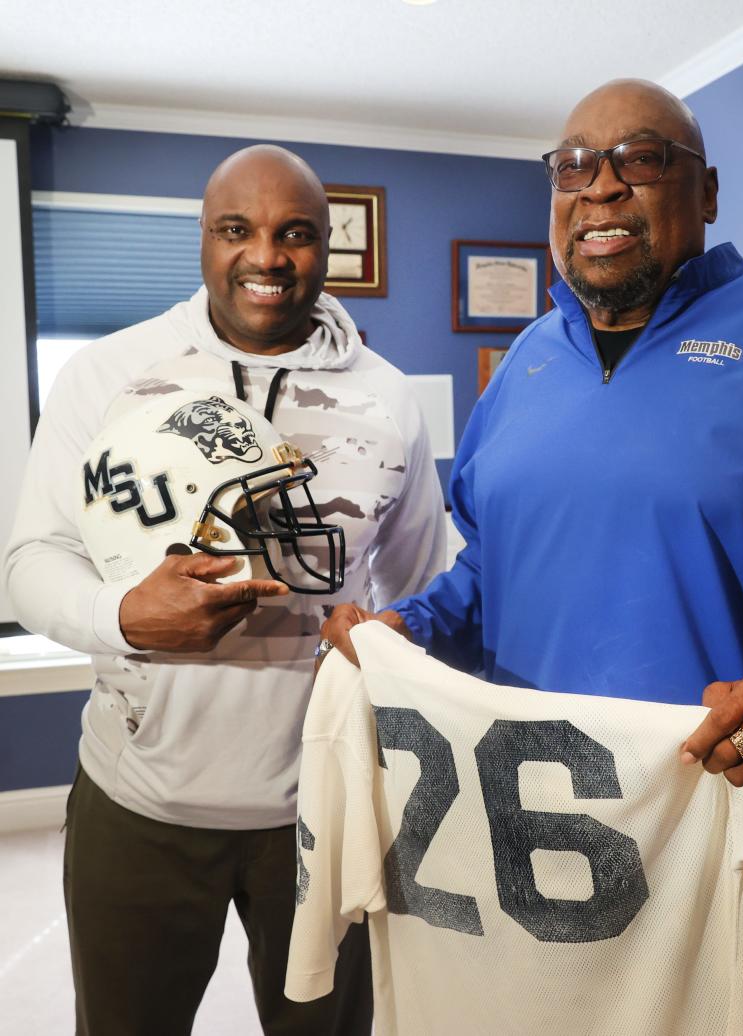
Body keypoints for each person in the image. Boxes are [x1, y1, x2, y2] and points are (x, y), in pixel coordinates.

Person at [320, 80, 743, 1036]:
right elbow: (494, 574)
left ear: (705, 193)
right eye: (573, 166)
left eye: (642, 158)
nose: (602, 187)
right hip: (537, 866)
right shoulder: (525, 366)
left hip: (729, 863)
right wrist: (410, 630)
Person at [3, 144, 446, 1036]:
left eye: (297, 234)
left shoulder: (391, 398)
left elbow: (423, 584)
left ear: (329, 248)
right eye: (237, 230)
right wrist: (122, 615)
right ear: (202, 239)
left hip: (323, 801)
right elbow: (31, 558)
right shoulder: (107, 374)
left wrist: (392, 638)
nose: (267, 257)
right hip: (140, 802)